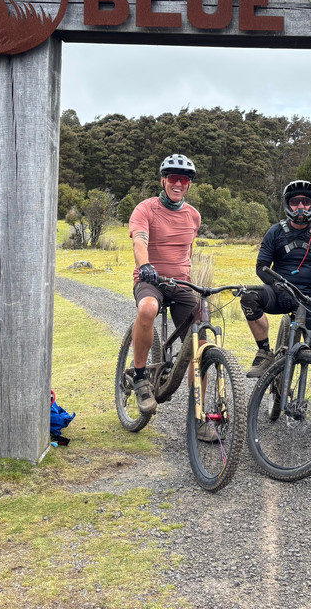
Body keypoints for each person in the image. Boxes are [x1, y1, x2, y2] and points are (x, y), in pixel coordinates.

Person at [239, 179, 311, 439]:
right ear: (287, 205)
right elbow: (262, 267)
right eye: (295, 202)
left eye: (305, 202)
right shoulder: (275, 232)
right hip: (282, 293)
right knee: (249, 297)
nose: (301, 207)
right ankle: (264, 353)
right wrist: (279, 285)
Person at [128, 154, 202, 420]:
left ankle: (202, 415)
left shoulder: (193, 215)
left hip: (181, 284)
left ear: (189, 184)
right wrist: (145, 265)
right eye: (173, 178)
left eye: (184, 179)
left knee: (201, 343)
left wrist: (188, 277)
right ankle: (139, 378)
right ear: (163, 180)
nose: (178, 183)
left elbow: (187, 250)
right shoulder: (145, 209)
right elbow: (139, 240)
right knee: (147, 309)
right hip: (151, 281)